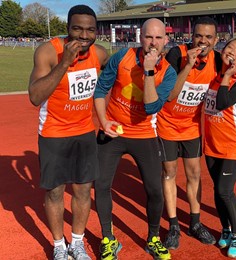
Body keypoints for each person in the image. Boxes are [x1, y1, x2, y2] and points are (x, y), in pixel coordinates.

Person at [28, 5, 109, 260]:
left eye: (89, 30)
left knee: (84, 190)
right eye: (77, 29)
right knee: (54, 192)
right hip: (53, 131)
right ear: (67, 29)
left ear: (96, 32)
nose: (83, 35)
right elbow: (35, 96)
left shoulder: (100, 53)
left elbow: (113, 78)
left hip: (84, 131)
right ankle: (59, 246)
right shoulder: (48, 52)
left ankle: (76, 242)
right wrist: (64, 62)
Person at [93, 18, 177, 260]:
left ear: (166, 40)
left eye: (158, 38)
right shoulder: (122, 57)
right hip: (114, 131)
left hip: (144, 134)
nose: (153, 42)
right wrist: (103, 121)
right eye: (149, 37)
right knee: (101, 186)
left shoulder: (168, 73)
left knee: (154, 190)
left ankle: (153, 238)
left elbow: (151, 107)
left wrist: (149, 71)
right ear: (141, 37)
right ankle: (108, 238)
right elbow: (100, 91)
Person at [156, 16, 221, 249]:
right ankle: (174, 225)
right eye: (198, 36)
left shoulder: (218, 60)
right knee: (169, 173)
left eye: (208, 37)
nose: (202, 41)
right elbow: (171, 94)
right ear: (192, 36)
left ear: (216, 40)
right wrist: (188, 66)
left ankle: (195, 222)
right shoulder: (177, 54)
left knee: (194, 174)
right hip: (167, 123)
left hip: (192, 126)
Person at [204, 38, 236, 258]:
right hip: (212, 145)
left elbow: (222, 102)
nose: (233, 52)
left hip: (232, 145)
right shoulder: (211, 76)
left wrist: (227, 76)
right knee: (217, 191)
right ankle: (225, 228)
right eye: (230, 48)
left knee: (225, 191)